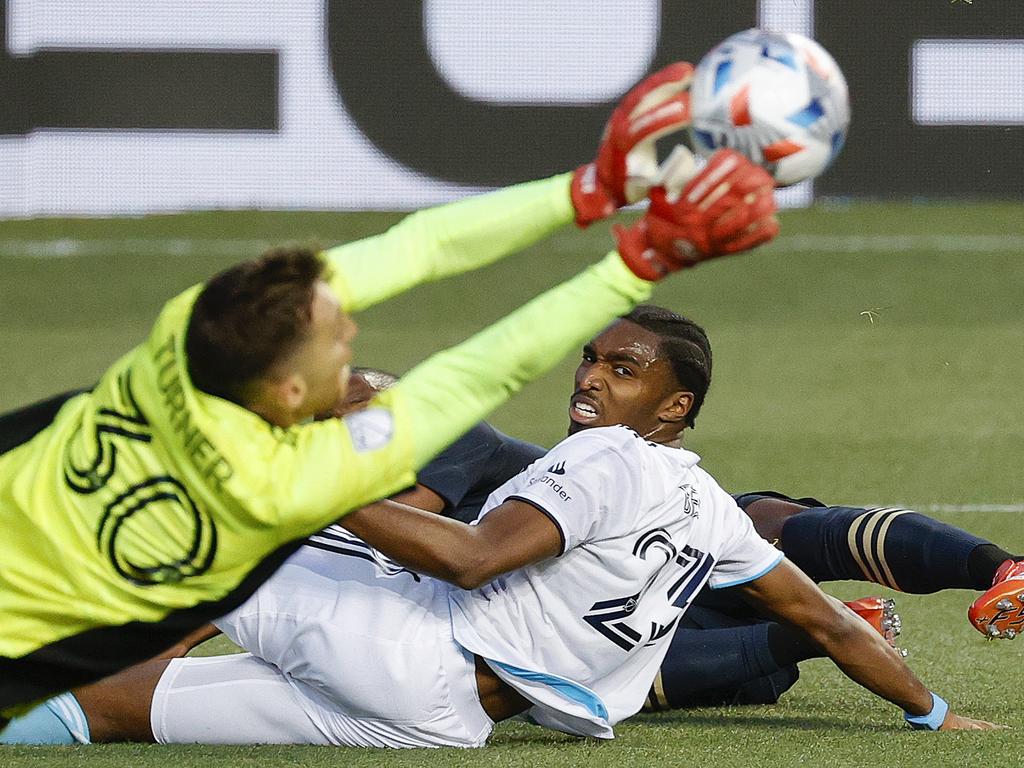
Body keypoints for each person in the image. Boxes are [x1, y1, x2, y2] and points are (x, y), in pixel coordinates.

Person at [0, 62, 782, 721]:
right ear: (290, 387)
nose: (355, 344)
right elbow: (486, 367)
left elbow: (420, 245)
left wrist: (587, 189)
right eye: (339, 348)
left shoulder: (191, 328)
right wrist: (634, 260)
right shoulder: (293, 484)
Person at [19, 307, 998, 749]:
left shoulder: (606, 457)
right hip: (440, 725)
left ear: (673, 408)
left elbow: (475, 558)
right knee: (114, 708)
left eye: (625, 369)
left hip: (403, 649)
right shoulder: (706, 509)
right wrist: (931, 714)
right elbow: (831, 625)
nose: (591, 377)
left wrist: (323, 475)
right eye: (592, 359)